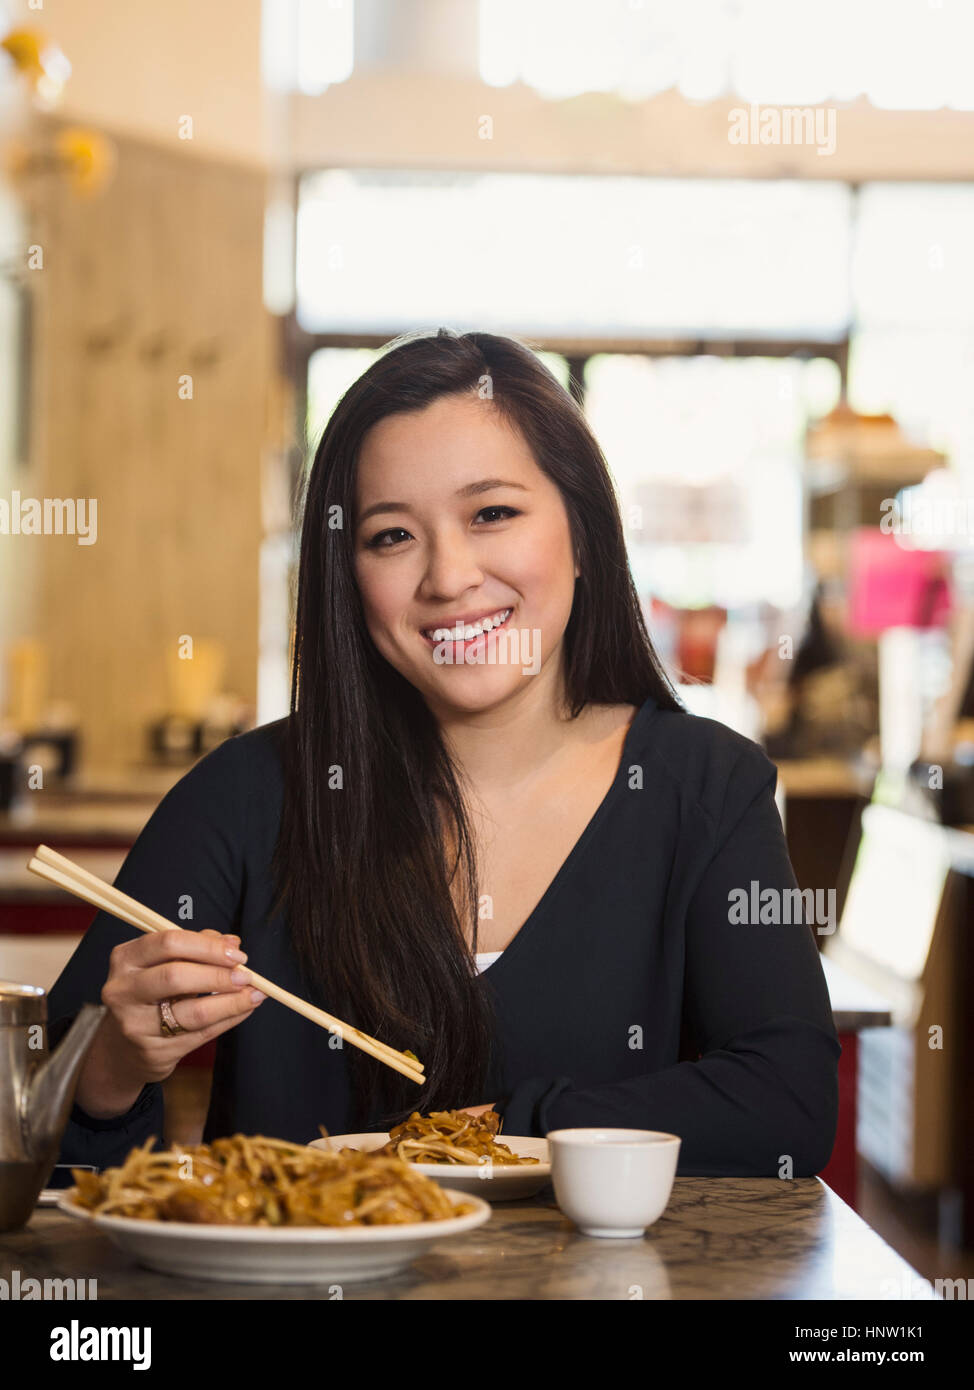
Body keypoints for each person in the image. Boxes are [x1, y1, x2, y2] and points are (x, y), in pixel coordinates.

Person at [47, 328, 840, 1176]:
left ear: (583, 528)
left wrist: (509, 1130)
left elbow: (785, 1105)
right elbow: (38, 1131)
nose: (449, 577)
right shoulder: (246, 797)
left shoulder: (707, 787)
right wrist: (112, 1068)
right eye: (392, 536)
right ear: (345, 574)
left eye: (492, 513)